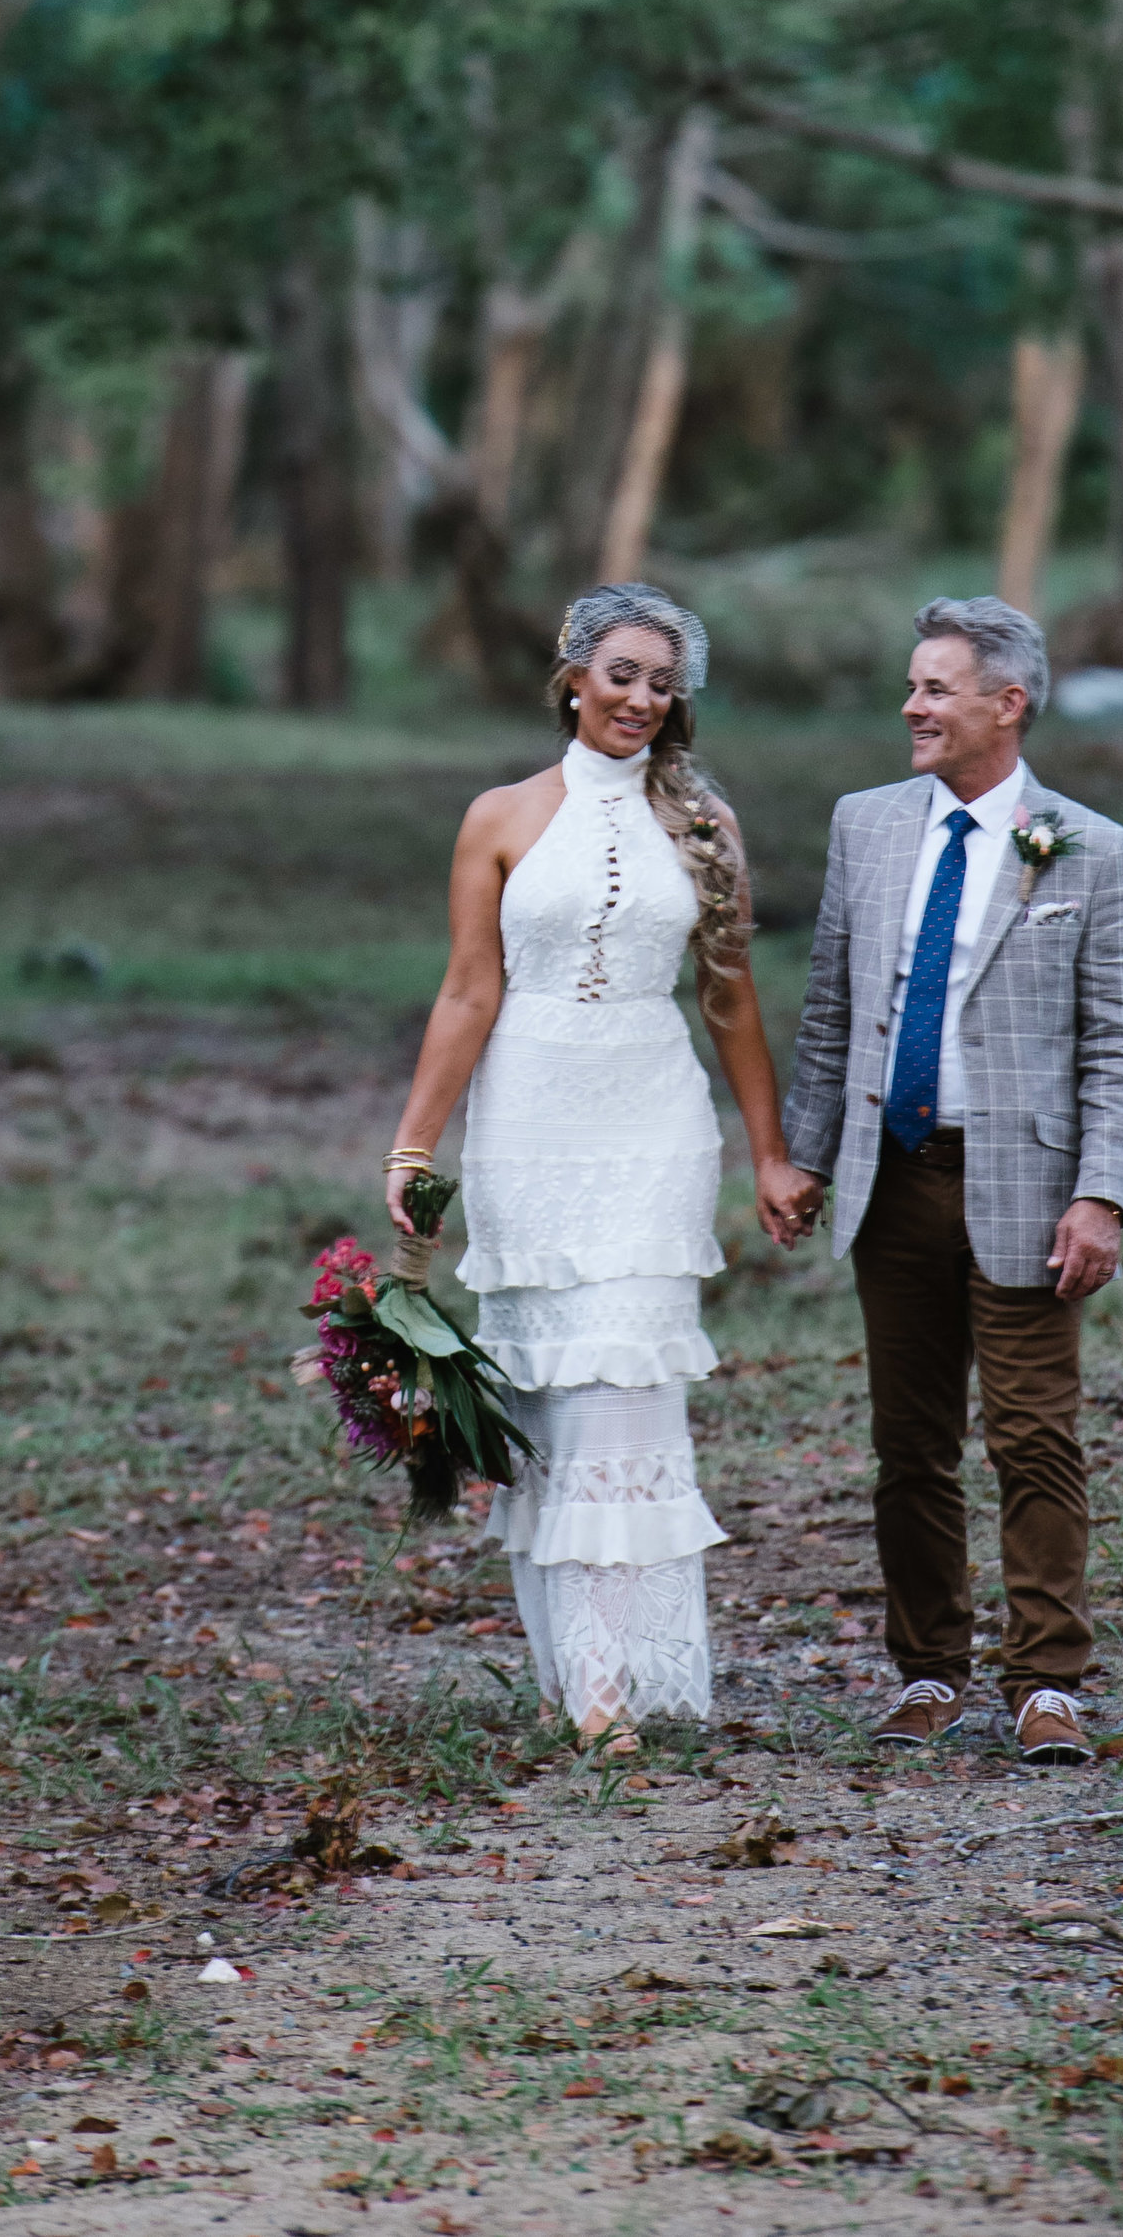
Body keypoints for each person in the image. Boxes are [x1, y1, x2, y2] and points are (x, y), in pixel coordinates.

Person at [383, 582, 800, 1739]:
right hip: (529, 1121)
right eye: (621, 674)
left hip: (654, 1122)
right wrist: (414, 1142)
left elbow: (728, 996)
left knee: (627, 1404)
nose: (640, 699)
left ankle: (615, 1693)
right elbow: (469, 988)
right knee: (553, 1407)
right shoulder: (501, 816)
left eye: (663, 685)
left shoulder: (704, 823)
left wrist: (769, 1152)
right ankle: (576, 1675)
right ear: (572, 675)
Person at [771, 595, 1123, 1764]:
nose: (912, 707)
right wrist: (799, 1152)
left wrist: (1104, 1190)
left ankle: (1047, 1682)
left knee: (1034, 1434)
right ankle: (928, 1669)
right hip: (891, 1177)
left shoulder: (1094, 848)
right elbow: (832, 1009)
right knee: (910, 1442)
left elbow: (1119, 1041)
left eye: (935, 687)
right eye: (910, 684)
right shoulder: (865, 825)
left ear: (1007, 701)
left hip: (1027, 1187)